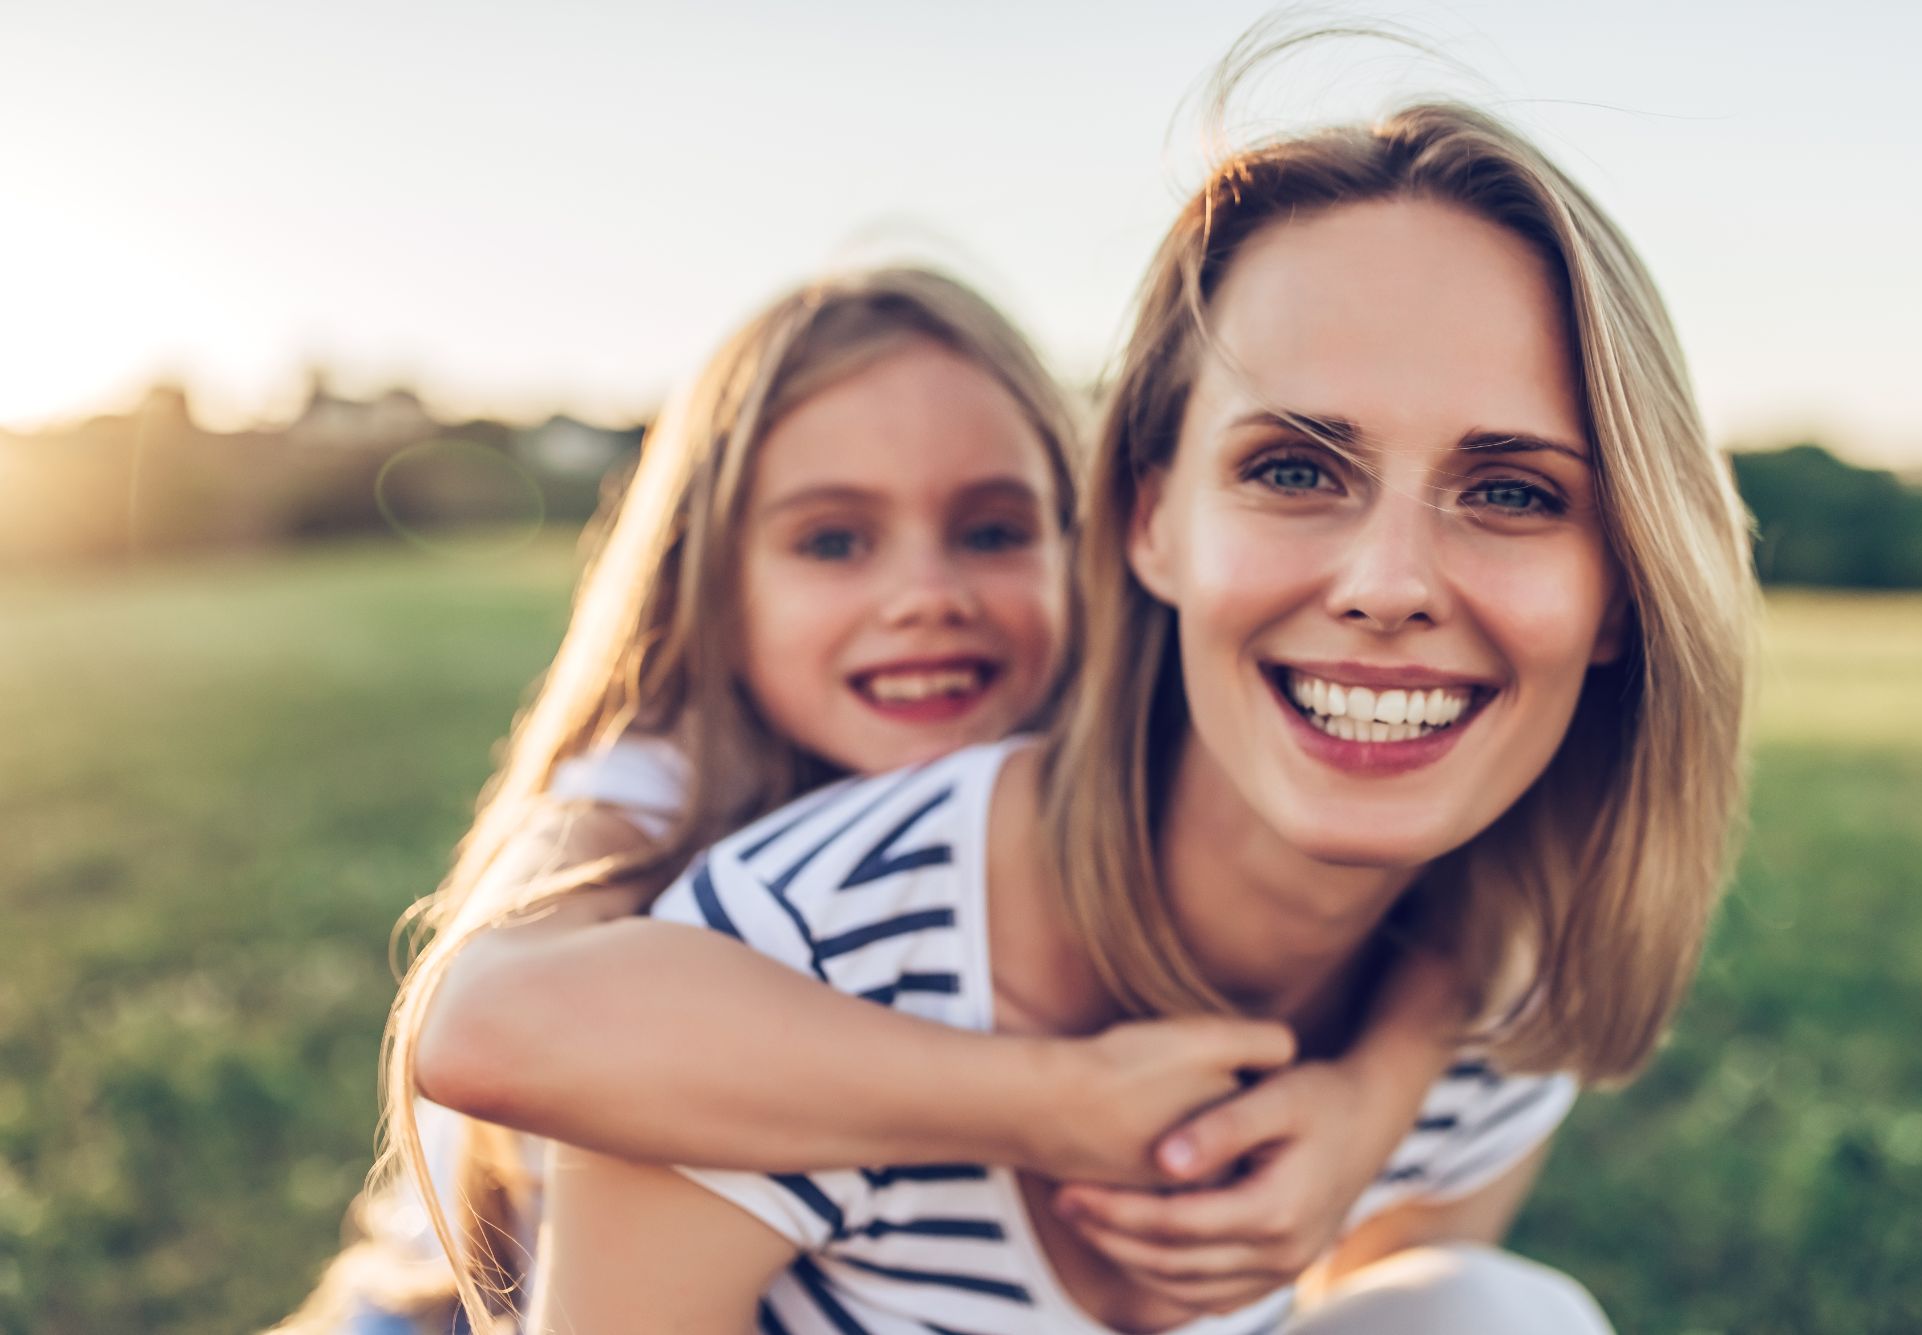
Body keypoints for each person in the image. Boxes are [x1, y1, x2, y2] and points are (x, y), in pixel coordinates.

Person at [512, 80, 1757, 1335]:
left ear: (1621, 590)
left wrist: (1385, 1082)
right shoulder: (764, 948)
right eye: (1290, 468)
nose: (1387, 587)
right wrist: (1051, 1099)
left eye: (1513, 493)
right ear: (1148, 522)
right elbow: (487, 1020)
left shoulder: (1485, 996)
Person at [276, 265, 1461, 1335]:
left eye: (992, 531)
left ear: (1091, 549)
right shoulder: (650, 781)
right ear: (715, 581)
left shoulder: (1090, 773)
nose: (924, 595)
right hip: (450, 1310)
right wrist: (1053, 1104)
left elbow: (1459, 886)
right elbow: (486, 1027)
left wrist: (1369, 1100)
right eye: (834, 541)